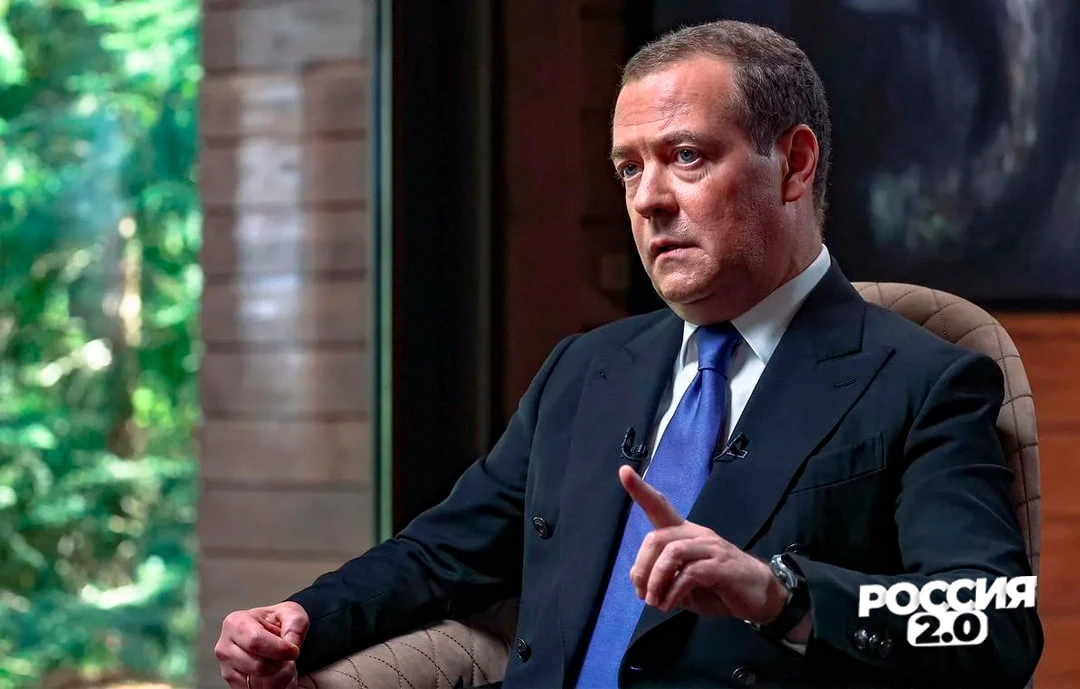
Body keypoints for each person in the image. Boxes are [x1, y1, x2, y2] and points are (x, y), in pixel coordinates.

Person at [214, 20, 1043, 689]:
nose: (647, 199)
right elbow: (443, 554)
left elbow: (992, 625)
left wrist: (781, 594)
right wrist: (302, 618)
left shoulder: (924, 382)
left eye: (686, 156)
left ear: (793, 164)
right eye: (627, 168)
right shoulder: (584, 371)